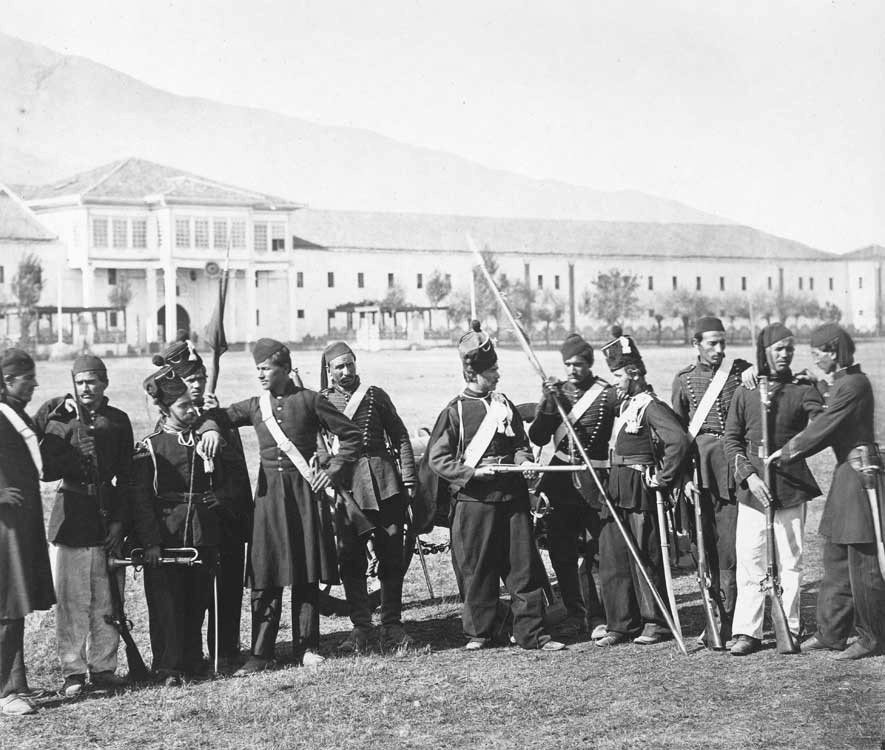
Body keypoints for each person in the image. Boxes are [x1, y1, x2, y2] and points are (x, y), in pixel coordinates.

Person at [222, 338, 361, 673]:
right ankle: (261, 653)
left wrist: (331, 471)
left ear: (284, 368)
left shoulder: (311, 400)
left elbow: (351, 436)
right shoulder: (256, 406)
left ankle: (307, 647)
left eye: (266, 368)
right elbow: (220, 417)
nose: (261, 375)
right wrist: (211, 425)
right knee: (265, 575)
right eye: (257, 369)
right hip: (270, 502)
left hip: (304, 496)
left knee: (306, 572)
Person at [427, 321, 564, 652]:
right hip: (475, 500)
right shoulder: (454, 410)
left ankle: (533, 633)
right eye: (492, 371)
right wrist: (471, 474)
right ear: (473, 374)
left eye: (496, 369)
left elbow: (520, 443)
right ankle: (481, 632)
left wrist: (523, 462)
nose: (497, 376)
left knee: (523, 567)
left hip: (512, 498)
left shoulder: (504, 403)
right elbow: (439, 458)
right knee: (478, 568)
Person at [769, 323, 885, 660]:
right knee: (834, 558)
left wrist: (787, 451)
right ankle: (831, 633)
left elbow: (825, 424)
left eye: (818, 353)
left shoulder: (855, 384)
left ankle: (872, 637)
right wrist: (814, 382)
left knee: (863, 563)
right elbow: (829, 398)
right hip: (845, 474)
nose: (815, 358)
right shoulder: (844, 382)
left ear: (833, 351)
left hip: (861, 476)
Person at [130, 367, 238, 685]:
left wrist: (219, 496)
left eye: (193, 405)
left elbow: (229, 482)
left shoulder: (206, 440)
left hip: (202, 533)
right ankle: (168, 666)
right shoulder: (149, 448)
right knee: (166, 603)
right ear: (165, 410)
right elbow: (141, 502)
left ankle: (192, 660)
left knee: (197, 599)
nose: (191, 411)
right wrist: (150, 543)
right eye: (183, 407)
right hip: (166, 535)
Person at [36, 355, 134, 696]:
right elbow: (46, 469)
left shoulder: (118, 421)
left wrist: (120, 522)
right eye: (80, 383)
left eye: (92, 381)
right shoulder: (61, 421)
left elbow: (128, 474)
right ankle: (73, 671)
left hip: (107, 515)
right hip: (73, 515)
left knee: (107, 600)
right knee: (73, 600)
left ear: (105, 383)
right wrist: (63, 425)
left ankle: (104, 668)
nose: (86, 388)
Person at [152, 338, 252, 671]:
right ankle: (187, 656)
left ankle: (224, 652)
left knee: (225, 591)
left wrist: (224, 497)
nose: (196, 385)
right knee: (189, 594)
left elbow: (238, 470)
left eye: (200, 378)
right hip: (188, 527)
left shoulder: (219, 418)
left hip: (224, 519)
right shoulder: (172, 419)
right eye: (189, 380)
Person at [723, 323, 823, 656]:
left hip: (790, 486)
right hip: (753, 491)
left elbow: (823, 423)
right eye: (779, 349)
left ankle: (791, 627)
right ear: (765, 351)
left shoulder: (802, 388)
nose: (786, 354)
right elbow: (732, 439)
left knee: (790, 562)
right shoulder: (746, 389)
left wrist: (819, 384)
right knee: (751, 559)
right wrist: (749, 476)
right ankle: (747, 632)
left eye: (790, 348)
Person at [319, 341, 417, 653]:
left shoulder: (375, 396)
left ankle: (392, 623)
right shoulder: (321, 401)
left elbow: (400, 435)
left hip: (385, 482)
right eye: (339, 367)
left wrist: (410, 478)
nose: (346, 372)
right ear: (329, 371)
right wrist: (329, 472)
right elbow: (317, 444)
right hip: (347, 489)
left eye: (350, 365)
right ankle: (361, 626)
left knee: (391, 554)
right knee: (351, 558)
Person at [595, 327, 691, 647]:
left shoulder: (650, 405)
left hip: (640, 487)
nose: (615, 382)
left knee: (645, 557)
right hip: (617, 486)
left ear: (634, 373)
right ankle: (621, 623)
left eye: (618, 375)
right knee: (615, 557)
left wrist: (663, 478)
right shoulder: (625, 405)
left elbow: (678, 441)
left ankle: (655, 622)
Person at [527, 333, 615, 639]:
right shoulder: (557, 392)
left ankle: (600, 615)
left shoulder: (606, 394)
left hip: (595, 479)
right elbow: (538, 437)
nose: (572, 370)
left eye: (578, 364)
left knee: (597, 550)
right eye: (567, 364)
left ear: (589, 363)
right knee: (562, 551)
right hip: (562, 479)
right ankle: (575, 613)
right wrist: (548, 403)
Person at [671, 316, 752, 644]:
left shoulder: (738, 373)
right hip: (699, 472)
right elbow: (676, 435)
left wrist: (751, 370)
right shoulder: (684, 380)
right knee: (701, 546)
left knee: (730, 548)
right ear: (696, 345)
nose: (719, 349)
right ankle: (712, 619)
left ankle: (732, 619)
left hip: (731, 469)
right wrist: (681, 480)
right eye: (711, 344)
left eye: (723, 343)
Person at [0, 350, 55, 716]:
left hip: (20, 523)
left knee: (13, 606)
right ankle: (7, 691)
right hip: (4, 527)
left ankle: (15, 683)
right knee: (6, 605)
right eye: (28, 377)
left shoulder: (14, 413)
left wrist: (47, 413)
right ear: (7, 381)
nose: (34, 382)